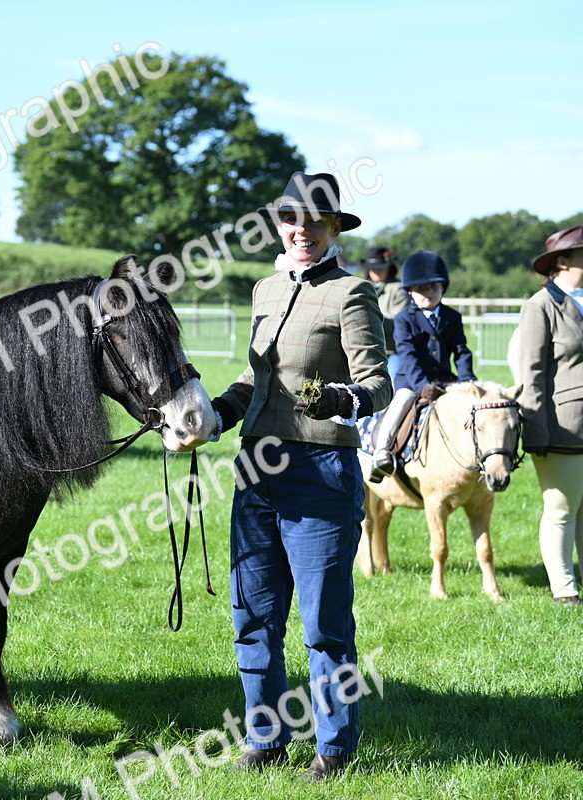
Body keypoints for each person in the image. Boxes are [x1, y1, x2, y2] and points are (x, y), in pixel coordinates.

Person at [204, 172, 390, 781]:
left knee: (322, 625)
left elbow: (377, 385)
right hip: (256, 471)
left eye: (315, 221)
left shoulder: (351, 293)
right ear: (280, 226)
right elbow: (253, 379)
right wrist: (216, 413)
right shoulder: (263, 289)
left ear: (334, 228)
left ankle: (334, 748)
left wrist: (340, 398)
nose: (301, 231)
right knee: (252, 614)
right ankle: (265, 736)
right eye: (292, 220)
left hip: (320, 471)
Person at [518, 225, 583, 607]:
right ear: (563, 261)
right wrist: (536, 429)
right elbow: (532, 375)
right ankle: (564, 590)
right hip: (562, 426)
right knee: (561, 508)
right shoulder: (539, 306)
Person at [371, 250, 475, 477]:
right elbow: (408, 356)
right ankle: (381, 452)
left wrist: (467, 380)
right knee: (402, 401)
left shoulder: (452, 317)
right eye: (421, 289)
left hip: (445, 380)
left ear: (443, 287)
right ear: (410, 290)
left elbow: (461, 351)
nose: (428, 293)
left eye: (433, 287)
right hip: (411, 380)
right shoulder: (403, 319)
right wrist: (421, 386)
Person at [361, 246, 410, 379]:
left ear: (389, 267)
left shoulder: (399, 289)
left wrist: (366, 323)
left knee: (394, 383)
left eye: (380, 267)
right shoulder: (362, 287)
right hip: (365, 350)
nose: (376, 271)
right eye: (373, 267)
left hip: (392, 350)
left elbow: (398, 321)